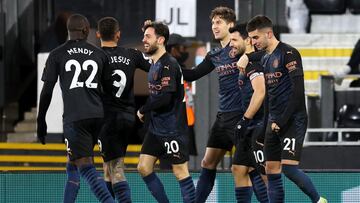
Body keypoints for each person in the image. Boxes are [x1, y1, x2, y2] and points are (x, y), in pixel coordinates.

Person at [181, 7, 268, 203]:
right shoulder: (215, 55)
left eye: (219, 22)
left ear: (230, 25)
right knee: (208, 162)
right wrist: (168, 63)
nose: (214, 26)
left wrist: (249, 55)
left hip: (242, 116)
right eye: (213, 23)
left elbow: (261, 56)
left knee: (247, 168)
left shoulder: (241, 48)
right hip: (223, 117)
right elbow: (193, 74)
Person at [245, 15, 327, 203]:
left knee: (288, 168)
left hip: (293, 119)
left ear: (269, 33)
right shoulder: (266, 60)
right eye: (250, 38)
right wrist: (264, 126)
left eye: (255, 37)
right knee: (271, 170)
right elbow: (268, 98)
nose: (252, 42)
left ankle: (318, 200)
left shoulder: (289, 53)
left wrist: (281, 121)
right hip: (273, 121)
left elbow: (298, 93)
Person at [36, 14, 115, 203]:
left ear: (68, 31)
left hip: (75, 118)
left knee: (86, 167)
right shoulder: (100, 54)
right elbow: (110, 92)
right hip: (98, 117)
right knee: (72, 164)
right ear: (87, 30)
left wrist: (41, 121)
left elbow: (46, 91)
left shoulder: (57, 54)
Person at [136, 21, 196, 203]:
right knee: (143, 167)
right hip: (156, 129)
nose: (144, 40)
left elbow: (165, 98)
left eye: (148, 37)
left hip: (172, 129)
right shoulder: (155, 62)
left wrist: (143, 109)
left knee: (180, 171)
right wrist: (147, 27)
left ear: (161, 40)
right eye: (144, 36)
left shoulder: (169, 64)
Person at [96, 17, 151, 202]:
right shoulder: (132, 54)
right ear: (118, 34)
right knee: (108, 168)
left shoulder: (95, 56)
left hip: (106, 119)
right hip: (128, 118)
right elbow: (156, 66)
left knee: (116, 169)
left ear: (97, 35)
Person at [229, 23, 269, 203]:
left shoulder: (254, 62)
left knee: (264, 174)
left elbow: (260, 93)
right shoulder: (247, 60)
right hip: (249, 125)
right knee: (239, 168)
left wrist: (244, 120)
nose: (231, 44)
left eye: (235, 40)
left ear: (248, 40)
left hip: (259, 125)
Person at [159, 33, 197, 170]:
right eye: (183, 48)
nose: (185, 51)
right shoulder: (169, 68)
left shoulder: (180, 67)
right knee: (170, 168)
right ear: (174, 49)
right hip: (172, 127)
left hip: (184, 124)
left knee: (181, 167)